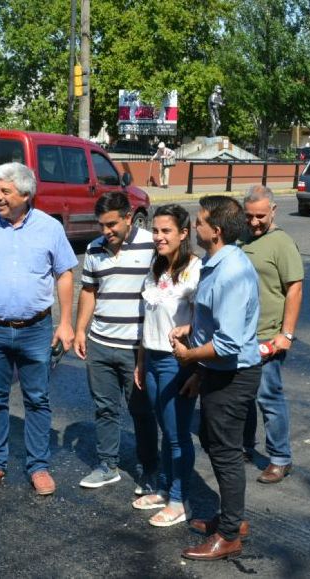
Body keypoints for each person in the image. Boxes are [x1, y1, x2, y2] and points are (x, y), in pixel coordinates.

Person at [0, 162, 77, 496]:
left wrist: (66, 322)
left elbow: (64, 273)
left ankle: (38, 466)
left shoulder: (50, 228)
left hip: (36, 329)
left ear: (26, 194)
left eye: (4, 191)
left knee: (36, 399)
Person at [170, 195, 261, 561]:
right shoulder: (214, 261)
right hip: (218, 374)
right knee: (213, 442)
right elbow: (216, 320)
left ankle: (230, 534)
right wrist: (192, 331)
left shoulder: (232, 271)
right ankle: (231, 518)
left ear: (216, 231)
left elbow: (228, 341)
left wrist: (190, 356)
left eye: (200, 221)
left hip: (234, 376)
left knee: (225, 454)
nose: (195, 227)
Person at [75, 191, 159, 493]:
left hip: (136, 348)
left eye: (112, 225)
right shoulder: (94, 248)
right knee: (104, 408)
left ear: (128, 217)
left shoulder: (152, 245)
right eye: (101, 225)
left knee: (141, 411)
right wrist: (80, 330)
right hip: (99, 343)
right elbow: (89, 291)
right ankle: (108, 466)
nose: (106, 232)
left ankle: (150, 470)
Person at [132, 204, 201, 527]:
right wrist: (142, 360)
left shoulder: (195, 269)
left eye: (166, 231)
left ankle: (179, 499)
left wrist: (199, 369)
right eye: (156, 231)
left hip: (178, 363)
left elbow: (205, 322)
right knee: (164, 429)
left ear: (183, 233)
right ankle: (163, 489)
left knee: (177, 435)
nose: (158, 237)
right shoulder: (156, 267)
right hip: (153, 359)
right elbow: (149, 317)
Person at [241, 186, 304, 484]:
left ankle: (280, 458)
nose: (254, 222)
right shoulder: (240, 238)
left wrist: (286, 334)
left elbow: (294, 288)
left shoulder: (281, 243)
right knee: (242, 395)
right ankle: (244, 445)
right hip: (238, 336)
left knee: (269, 397)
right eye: (249, 215)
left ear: (274, 211)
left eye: (260, 216)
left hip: (268, 337)